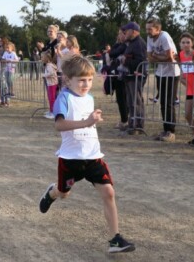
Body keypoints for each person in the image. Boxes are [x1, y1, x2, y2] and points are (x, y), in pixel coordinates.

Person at [38, 56, 135, 254]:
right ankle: (52, 193)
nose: (86, 84)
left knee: (109, 192)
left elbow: (88, 121)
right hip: (70, 159)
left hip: (93, 157)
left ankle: (115, 240)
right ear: (67, 79)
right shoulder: (64, 98)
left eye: (90, 80)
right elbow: (59, 125)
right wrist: (87, 122)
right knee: (64, 194)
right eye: (81, 80)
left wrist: (94, 119)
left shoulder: (89, 99)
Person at [146, 17, 180, 142]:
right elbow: (149, 58)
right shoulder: (149, 38)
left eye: (150, 29)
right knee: (162, 103)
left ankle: (171, 131)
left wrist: (157, 57)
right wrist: (159, 57)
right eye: (147, 29)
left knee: (169, 102)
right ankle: (165, 129)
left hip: (172, 73)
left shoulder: (164, 36)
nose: (148, 32)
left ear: (158, 29)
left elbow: (170, 58)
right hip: (160, 73)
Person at [121, 22, 147, 134]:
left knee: (136, 102)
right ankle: (132, 125)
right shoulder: (132, 43)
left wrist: (125, 61)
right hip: (130, 77)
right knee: (130, 102)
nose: (125, 32)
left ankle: (138, 126)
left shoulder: (139, 43)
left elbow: (141, 61)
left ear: (134, 31)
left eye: (127, 30)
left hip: (136, 76)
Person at [108, 30, 128, 130]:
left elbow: (113, 53)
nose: (119, 35)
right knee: (120, 99)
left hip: (123, 75)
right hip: (116, 74)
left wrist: (113, 52)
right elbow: (112, 52)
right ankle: (123, 119)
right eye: (118, 33)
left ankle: (125, 120)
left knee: (123, 99)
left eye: (121, 33)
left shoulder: (126, 45)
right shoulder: (118, 44)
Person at [0, 42, 19, 106]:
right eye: (6, 48)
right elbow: (2, 60)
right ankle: (8, 92)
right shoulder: (5, 53)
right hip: (6, 69)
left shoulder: (13, 53)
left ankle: (11, 91)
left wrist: (11, 61)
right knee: (6, 81)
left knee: (10, 80)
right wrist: (5, 61)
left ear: (12, 48)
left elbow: (17, 60)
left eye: (8, 48)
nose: (7, 49)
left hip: (11, 69)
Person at [41, 51, 58, 119]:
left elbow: (51, 73)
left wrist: (44, 75)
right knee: (51, 98)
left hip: (52, 84)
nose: (41, 58)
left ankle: (53, 112)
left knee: (52, 99)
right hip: (51, 83)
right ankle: (51, 111)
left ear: (46, 58)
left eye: (42, 57)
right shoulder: (49, 65)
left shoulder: (49, 66)